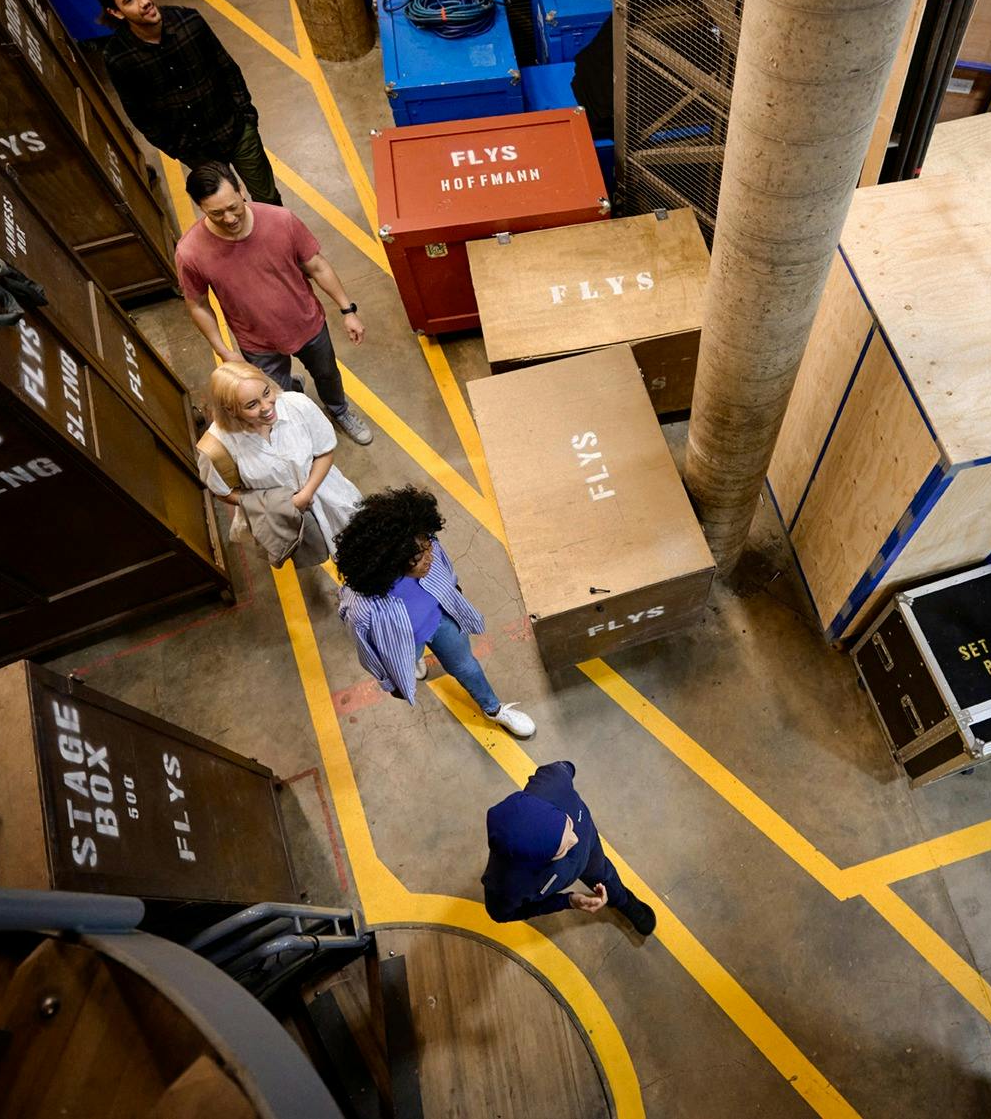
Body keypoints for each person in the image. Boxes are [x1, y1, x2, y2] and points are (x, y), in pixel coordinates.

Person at [177, 161, 374, 445]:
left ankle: (339, 410)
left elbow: (317, 266)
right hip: (257, 343)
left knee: (328, 374)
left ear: (240, 189)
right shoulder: (190, 251)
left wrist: (347, 310)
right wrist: (224, 351)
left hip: (308, 325)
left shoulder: (281, 220)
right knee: (273, 398)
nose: (230, 218)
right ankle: (297, 419)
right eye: (217, 213)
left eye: (234, 206)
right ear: (200, 207)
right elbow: (197, 304)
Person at [334, 486, 535, 739]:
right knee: (412, 655)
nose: (429, 557)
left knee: (466, 666)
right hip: (404, 643)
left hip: (440, 622)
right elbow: (367, 650)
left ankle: (492, 709)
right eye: (418, 558)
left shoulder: (427, 546)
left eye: (427, 545)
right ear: (390, 562)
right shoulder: (363, 608)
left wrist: (453, 588)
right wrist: (389, 680)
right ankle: (415, 659)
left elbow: (445, 569)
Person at [94, 0, 280, 205]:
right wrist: (177, 147)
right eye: (129, 0)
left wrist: (247, 118)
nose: (144, 1)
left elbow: (228, 69)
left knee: (269, 200)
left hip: (236, 130)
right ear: (116, 12)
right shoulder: (119, 58)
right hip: (197, 151)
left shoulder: (190, 22)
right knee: (229, 206)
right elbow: (139, 113)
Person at [199, 361, 362, 559]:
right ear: (230, 410)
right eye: (252, 405)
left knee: (354, 543)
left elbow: (325, 452)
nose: (267, 407)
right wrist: (277, 504)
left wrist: (305, 494)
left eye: (266, 393)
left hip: (325, 491)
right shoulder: (217, 446)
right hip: (278, 516)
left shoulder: (297, 405)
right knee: (309, 551)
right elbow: (223, 492)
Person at [482, 761, 656, 936]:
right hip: (570, 867)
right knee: (602, 872)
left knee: (605, 874)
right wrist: (568, 901)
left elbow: (566, 767)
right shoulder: (508, 887)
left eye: (567, 823)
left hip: (590, 854)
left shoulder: (552, 781)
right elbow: (502, 914)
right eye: (562, 848)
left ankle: (624, 901)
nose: (575, 838)